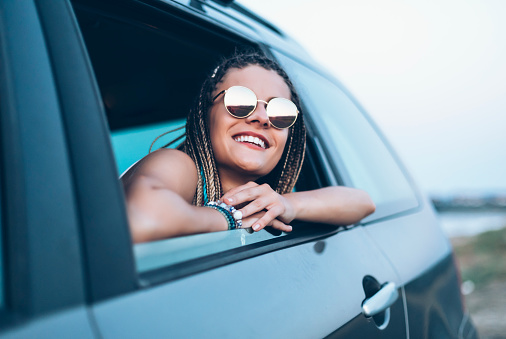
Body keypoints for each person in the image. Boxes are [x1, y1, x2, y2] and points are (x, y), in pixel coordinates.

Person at [122, 51, 375, 243]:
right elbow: (145, 218)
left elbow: (363, 203)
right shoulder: (177, 164)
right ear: (206, 113)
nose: (262, 117)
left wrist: (287, 205)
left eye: (280, 112)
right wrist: (231, 217)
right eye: (240, 101)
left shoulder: (268, 203)